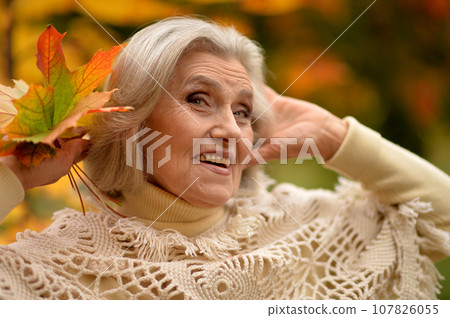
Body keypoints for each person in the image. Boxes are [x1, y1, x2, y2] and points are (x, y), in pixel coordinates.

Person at [0, 17, 449, 300]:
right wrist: (14, 173)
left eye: (243, 112)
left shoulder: (308, 234)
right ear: (130, 120)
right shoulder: (48, 272)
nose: (233, 131)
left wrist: (335, 136)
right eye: (198, 99)